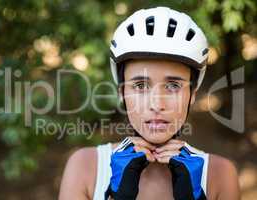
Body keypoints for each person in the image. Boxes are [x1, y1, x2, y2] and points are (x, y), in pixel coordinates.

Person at [58, 6, 240, 200]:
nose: (156, 104)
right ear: (122, 93)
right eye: (140, 85)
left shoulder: (220, 174)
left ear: (192, 94)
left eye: (173, 85)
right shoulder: (85, 167)